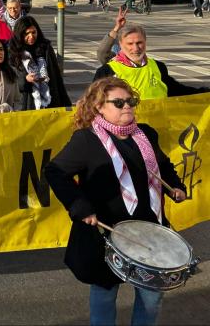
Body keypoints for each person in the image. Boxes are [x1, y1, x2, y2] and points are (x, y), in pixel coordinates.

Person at [46, 77, 187, 325]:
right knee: (105, 293)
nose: (127, 107)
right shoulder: (86, 140)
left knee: (151, 297)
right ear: (100, 106)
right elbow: (56, 172)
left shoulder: (145, 134)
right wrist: (80, 207)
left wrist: (174, 186)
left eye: (130, 101)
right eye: (119, 102)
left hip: (148, 229)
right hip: (105, 230)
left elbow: (162, 166)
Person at [93, 22, 209, 99]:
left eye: (139, 43)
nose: (136, 48)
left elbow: (176, 90)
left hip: (158, 128)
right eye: (130, 44)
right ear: (121, 45)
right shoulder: (107, 71)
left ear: (145, 42)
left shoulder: (158, 67)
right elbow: (93, 102)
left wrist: (204, 92)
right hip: (125, 132)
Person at [8, 15, 71, 110]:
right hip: (27, 103)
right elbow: (9, 79)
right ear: (20, 34)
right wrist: (25, 79)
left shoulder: (45, 48)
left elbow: (56, 76)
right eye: (27, 33)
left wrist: (65, 103)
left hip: (50, 101)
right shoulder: (13, 51)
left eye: (34, 32)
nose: (31, 36)